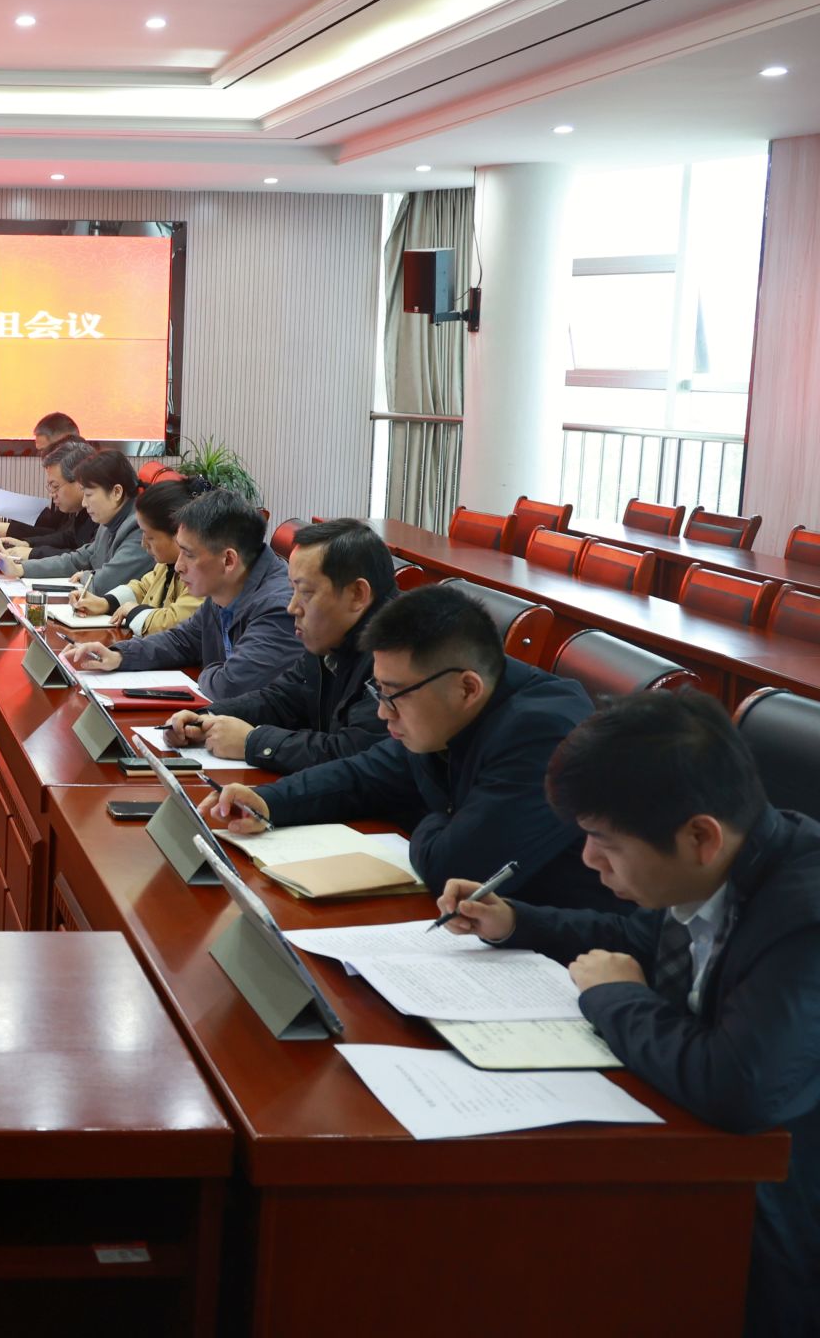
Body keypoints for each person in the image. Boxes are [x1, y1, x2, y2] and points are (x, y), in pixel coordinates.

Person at [438, 691, 820, 1333]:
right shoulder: (729, 862)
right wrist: (516, 922)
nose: (588, 859)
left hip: (775, 1223)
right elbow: (638, 940)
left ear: (700, 836)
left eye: (603, 842)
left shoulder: (805, 917)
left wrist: (615, 998)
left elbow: (738, 1087)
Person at [202, 584, 620, 911]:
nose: (382, 712)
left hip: (569, 954)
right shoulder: (448, 707)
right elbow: (368, 774)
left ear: (467, 688)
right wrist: (269, 801)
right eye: (378, 691)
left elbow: (452, 868)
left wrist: (435, 817)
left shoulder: (542, 733)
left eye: (393, 695)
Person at [164, 517, 395, 771]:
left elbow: (353, 754)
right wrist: (207, 717)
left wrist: (252, 742)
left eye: (305, 593)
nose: (292, 607)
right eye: (292, 589)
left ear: (357, 594)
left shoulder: (396, 653)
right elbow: (281, 699)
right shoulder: (329, 637)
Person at [63, 487, 294, 699]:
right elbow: (182, 640)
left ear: (228, 560)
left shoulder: (278, 609)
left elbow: (230, 686)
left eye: (189, 554)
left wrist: (207, 669)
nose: (179, 565)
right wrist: (118, 655)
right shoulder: (225, 586)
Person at [6, 448, 152, 600]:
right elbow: (77, 559)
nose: (84, 503)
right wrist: (21, 569)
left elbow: (106, 584)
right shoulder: (109, 519)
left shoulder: (140, 527)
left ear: (116, 492)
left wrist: (86, 576)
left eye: (88, 495)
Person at [103, 477, 205, 637]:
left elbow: (175, 622)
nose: (143, 544)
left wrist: (134, 611)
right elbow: (144, 587)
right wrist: (105, 603)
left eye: (150, 537)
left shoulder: (203, 572)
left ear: (178, 534)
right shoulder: (165, 564)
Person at [0, 440, 95, 554]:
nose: (52, 494)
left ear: (79, 482)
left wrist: (31, 553)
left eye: (55, 486)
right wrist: (27, 544)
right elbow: (67, 538)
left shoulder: (99, 515)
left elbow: (83, 558)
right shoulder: (80, 511)